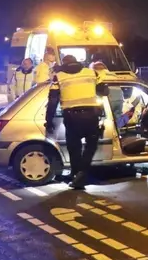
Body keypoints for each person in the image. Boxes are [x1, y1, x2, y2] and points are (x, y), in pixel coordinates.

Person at [45, 54, 108, 190]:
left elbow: (52, 101)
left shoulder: (59, 76)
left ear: (64, 63)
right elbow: (104, 91)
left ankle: (76, 174)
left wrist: (48, 120)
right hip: (91, 116)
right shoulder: (91, 72)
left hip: (71, 117)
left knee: (74, 147)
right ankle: (80, 174)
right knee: (91, 146)